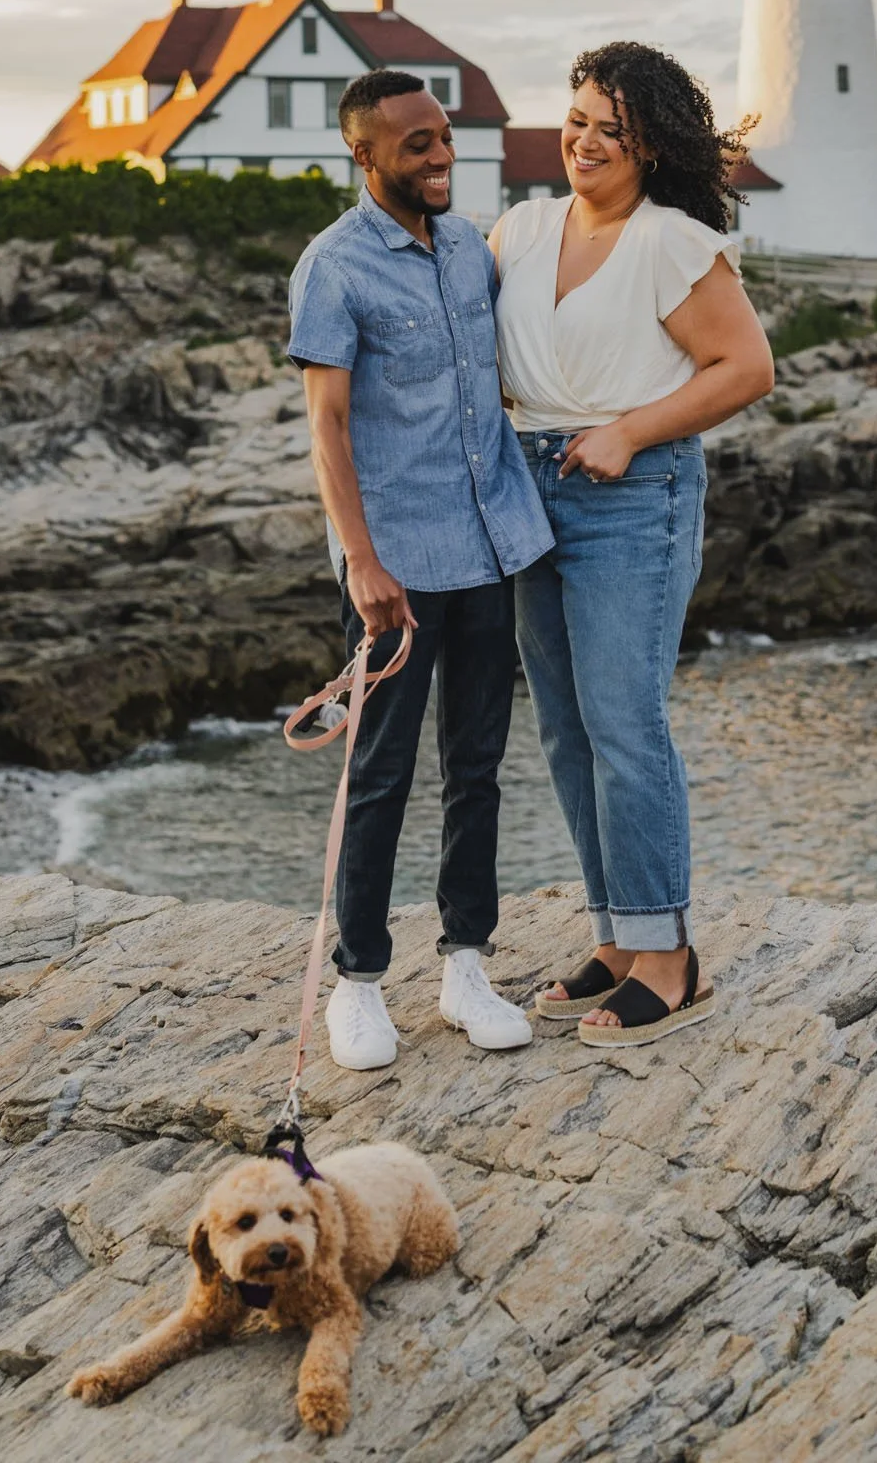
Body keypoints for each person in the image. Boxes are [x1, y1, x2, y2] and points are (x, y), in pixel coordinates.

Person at [490, 42, 774, 1049]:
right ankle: (616, 938)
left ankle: (671, 959)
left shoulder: (671, 243)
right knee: (566, 728)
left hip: (631, 491)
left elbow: (746, 368)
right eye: (577, 120)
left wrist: (628, 430)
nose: (587, 142)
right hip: (528, 492)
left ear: (651, 147)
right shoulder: (519, 230)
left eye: (613, 129)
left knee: (624, 721)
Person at [288, 68, 553, 1072]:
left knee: (477, 764)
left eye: (444, 140)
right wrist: (361, 560)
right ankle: (356, 983)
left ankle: (466, 964)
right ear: (365, 156)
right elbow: (326, 424)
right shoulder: (334, 267)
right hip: (394, 564)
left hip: (490, 547)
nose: (440, 157)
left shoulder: (469, 252)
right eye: (417, 147)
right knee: (379, 772)